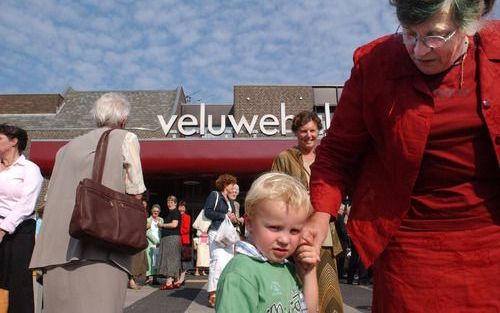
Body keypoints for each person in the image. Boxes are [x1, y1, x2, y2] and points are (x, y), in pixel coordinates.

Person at [303, 1, 500, 311]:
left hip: (492, 242)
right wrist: (320, 214)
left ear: (470, 22)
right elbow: (337, 153)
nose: (419, 50)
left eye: (435, 36)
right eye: (409, 33)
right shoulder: (375, 65)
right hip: (410, 249)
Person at [29, 93, 146, 313]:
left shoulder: (64, 149)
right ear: (124, 119)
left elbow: (50, 197)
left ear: (97, 118)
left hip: (56, 248)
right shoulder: (125, 138)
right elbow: (135, 192)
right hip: (100, 244)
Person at [272, 111, 344, 313]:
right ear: (296, 132)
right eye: (303, 131)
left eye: (313, 130)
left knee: (328, 285)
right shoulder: (284, 158)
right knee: (299, 285)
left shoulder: (326, 157)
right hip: (296, 230)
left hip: (324, 231)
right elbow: (273, 192)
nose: (309, 135)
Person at [216, 172, 319, 313]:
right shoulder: (241, 274)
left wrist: (308, 272)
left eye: (294, 230)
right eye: (275, 228)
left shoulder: (287, 267)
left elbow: (308, 310)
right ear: (249, 223)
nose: (284, 240)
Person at [0, 124, 43, 313]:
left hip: (20, 230)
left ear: (14, 142)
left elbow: (27, 203)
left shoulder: (29, 169)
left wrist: (3, 228)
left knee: (18, 283)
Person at [203, 174, 238, 308]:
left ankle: (223, 293)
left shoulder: (230, 201)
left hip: (228, 237)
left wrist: (234, 219)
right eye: (231, 184)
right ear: (225, 185)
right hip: (216, 233)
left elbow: (231, 220)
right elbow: (208, 212)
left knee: (227, 265)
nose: (233, 187)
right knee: (217, 263)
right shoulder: (214, 195)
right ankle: (213, 294)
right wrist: (224, 215)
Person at [157, 195, 182, 290]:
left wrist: (162, 225)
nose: (169, 204)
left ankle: (169, 282)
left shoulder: (175, 212)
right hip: (170, 238)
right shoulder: (172, 212)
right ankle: (175, 280)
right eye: (168, 202)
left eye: (171, 202)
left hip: (172, 238)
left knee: (169, 259)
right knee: (173, 259)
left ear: (175, 203)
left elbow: (174, 224)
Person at [145, 204, 163, 285]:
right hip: (150, 242)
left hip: (159, 243)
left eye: (157, 211)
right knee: (149, 260)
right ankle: (147, 278)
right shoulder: (148, 220)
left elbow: (162, 231)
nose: (156, 212)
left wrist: (160, 241)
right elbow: (147, 232)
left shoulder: (161, 220)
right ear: (151, 211)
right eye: (154, 211)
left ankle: (155, 279)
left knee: (156, 261)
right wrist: (155, 241)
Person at [178, 200, 192, 285]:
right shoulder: (176, 216)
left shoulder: (187, 217)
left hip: (184, 240)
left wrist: (175, 230)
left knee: (184, 260)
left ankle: (182, 278)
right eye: (180, 206)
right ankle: (179, 277)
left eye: (183, 206)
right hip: (177, 240)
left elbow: (186, 229)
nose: (181, 208)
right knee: (178, 260)